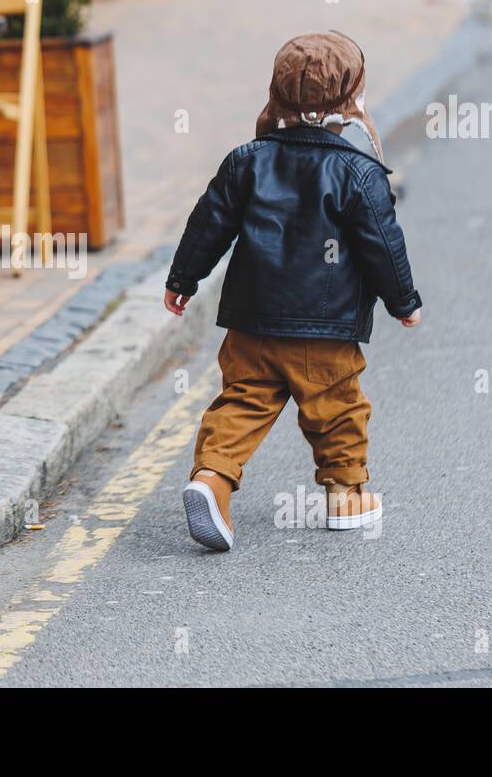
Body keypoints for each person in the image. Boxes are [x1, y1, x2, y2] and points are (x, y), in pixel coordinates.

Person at [164, 32, 422, 552]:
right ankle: (346, 495)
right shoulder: (358, 170)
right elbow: (382, 244)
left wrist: (182, 280)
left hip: (252, 320)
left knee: (242, 400)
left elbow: (206, 225)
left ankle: (211, 478)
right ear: (349, 102)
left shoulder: (246, 161)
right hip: (324, 327)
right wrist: (404, 301)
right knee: (338, 407)